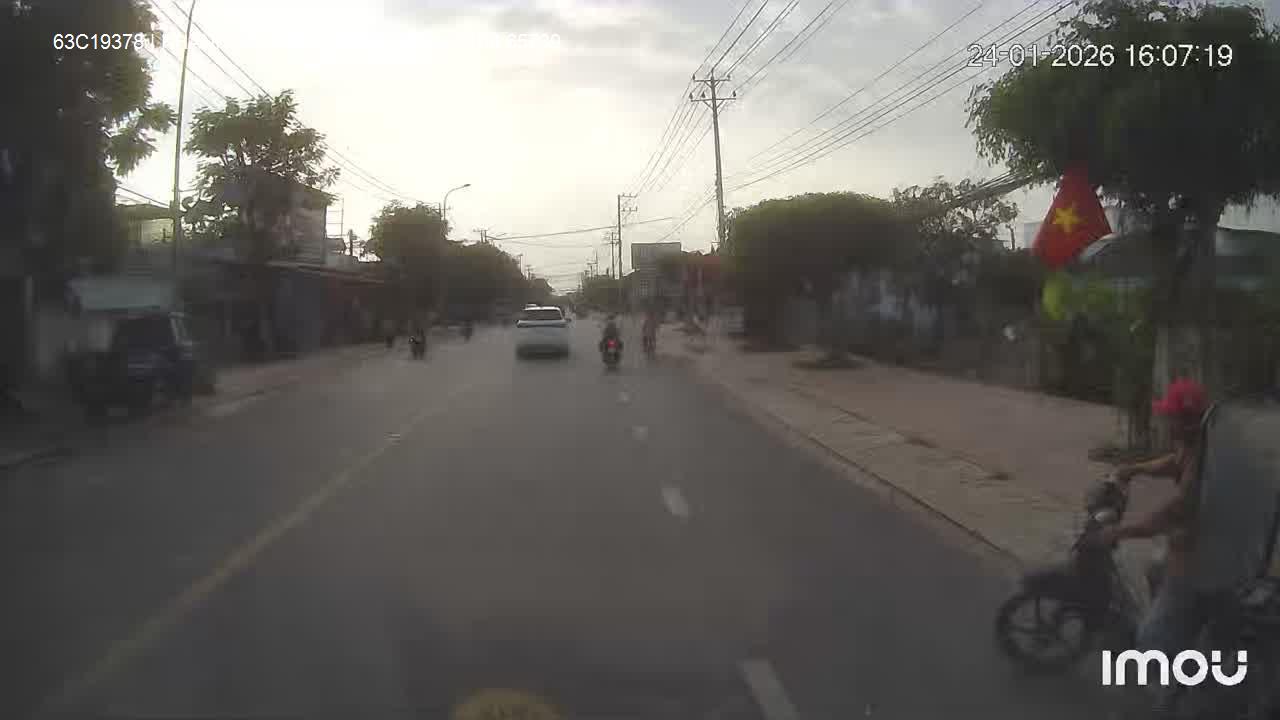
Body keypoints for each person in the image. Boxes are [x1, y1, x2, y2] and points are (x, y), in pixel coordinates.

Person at [1091, 378, 1211, 705]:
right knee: (1155, 568)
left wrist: (1120, 532)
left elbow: (1172, 513)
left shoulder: (1204, 459)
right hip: (1189, 547)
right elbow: (1171, 462)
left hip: (1201, 559)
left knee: (1149, 640)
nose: (1166, 421)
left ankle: (1171, 698)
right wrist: (1133, 469)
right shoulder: (1193, 443)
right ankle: (1181, 631)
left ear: (1186, 420)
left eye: (1171, 416)